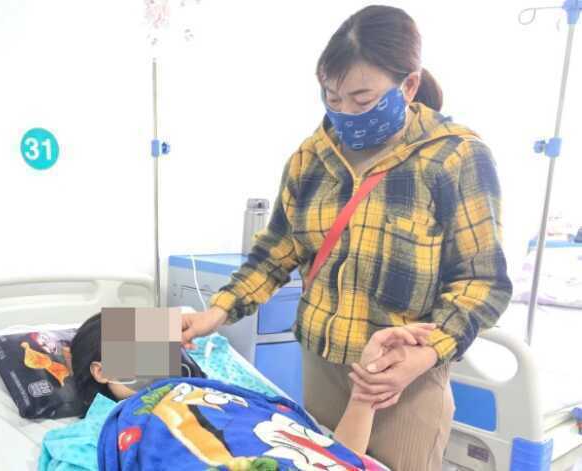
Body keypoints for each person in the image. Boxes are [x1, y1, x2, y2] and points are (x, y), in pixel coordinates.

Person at [180, 5, 513, 470]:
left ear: (408, 86)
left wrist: (424, 356)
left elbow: (484, 282)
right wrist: (213, 314)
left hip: (404, 381)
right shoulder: (311, 157)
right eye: (332, 97)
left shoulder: (454, 158)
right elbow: (275, 252)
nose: (344, 113)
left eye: (362, 98)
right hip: (322, 368)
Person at [69, 311, 437, 469]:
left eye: (158, 336)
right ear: (101, 370)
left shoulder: (234, 395)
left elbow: (332, 455)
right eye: (137, 340)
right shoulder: (93, 433)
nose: (161, 344)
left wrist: (366, 390)